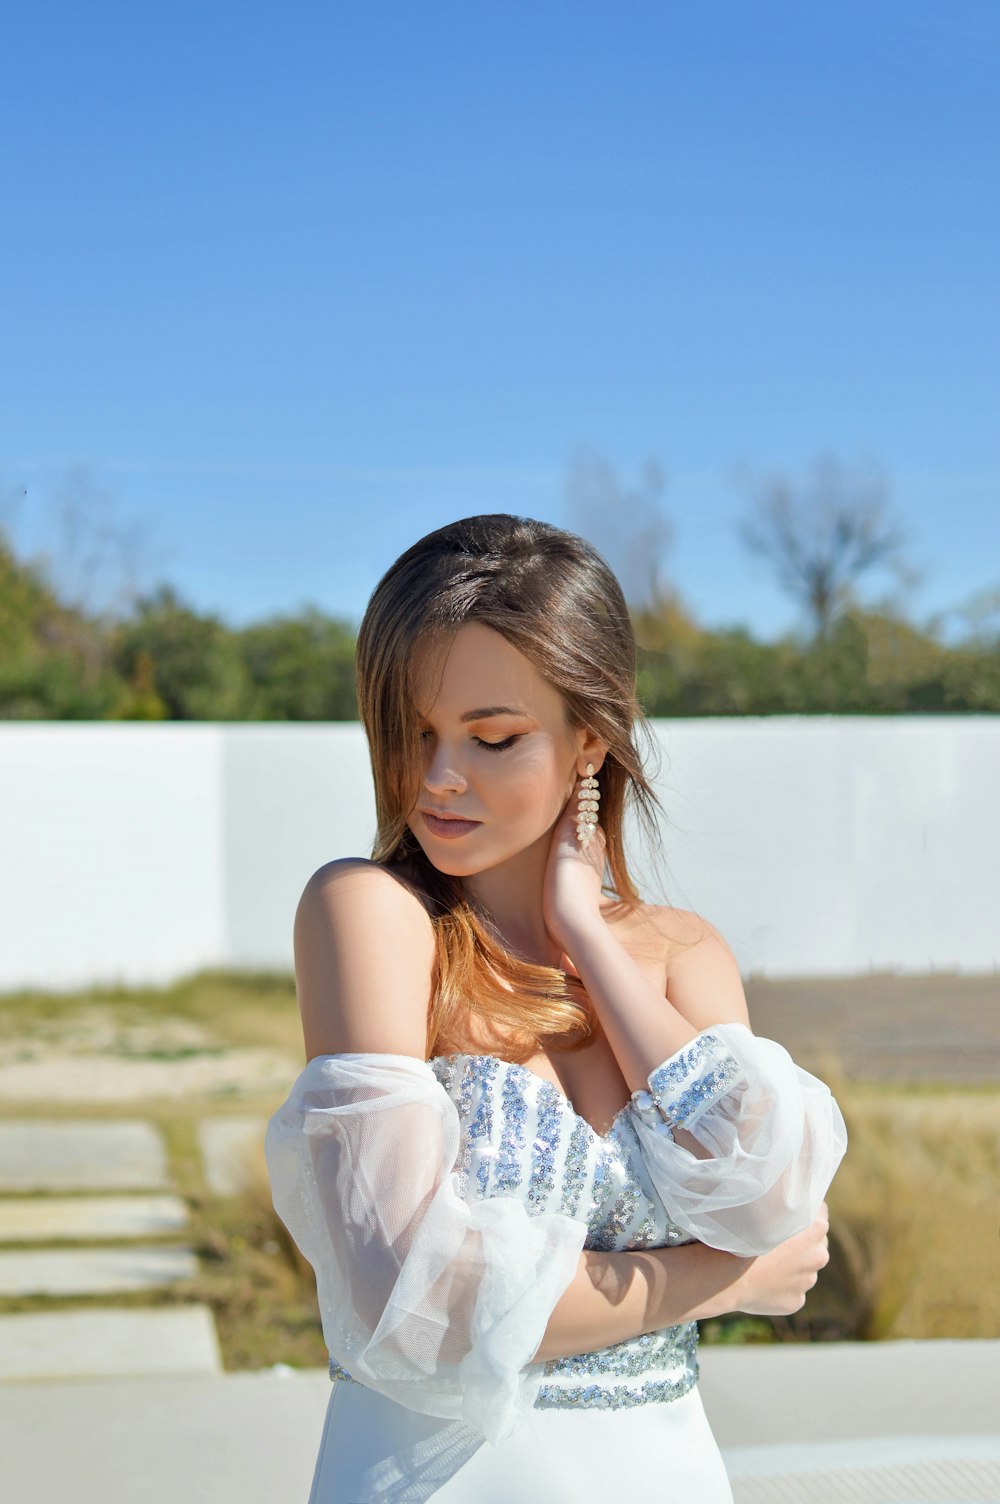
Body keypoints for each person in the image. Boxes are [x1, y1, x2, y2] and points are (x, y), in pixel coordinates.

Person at [264, 513, 848, 1503]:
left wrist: (587, 934)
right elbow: (415, 1305)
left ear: (591, 736)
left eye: (492, 737)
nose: (436, 778)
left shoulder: (679, 951)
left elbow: (770, 1197)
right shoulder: (372, 914)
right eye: (410, 733)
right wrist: (724, 1282)